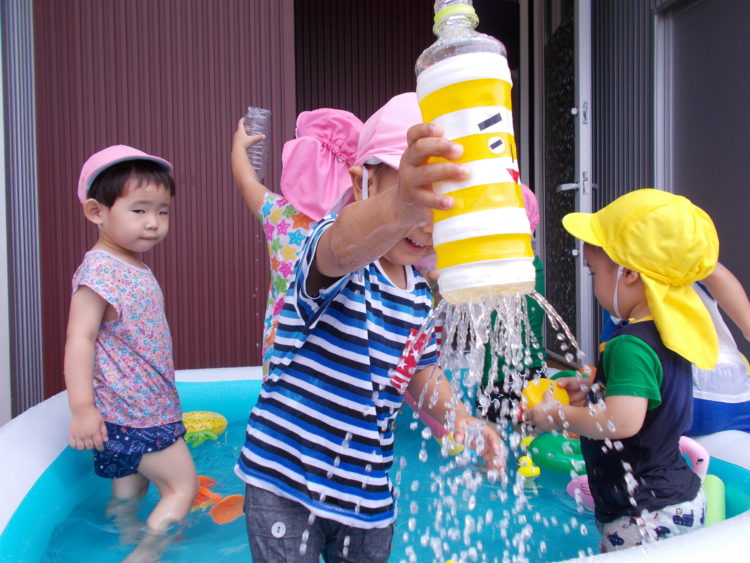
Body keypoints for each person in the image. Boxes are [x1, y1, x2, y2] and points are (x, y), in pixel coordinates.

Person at [235, 93, 505, 562]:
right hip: (285, 479)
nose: (424, 224)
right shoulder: (334, 251)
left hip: (365, 491)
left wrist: (459, 418)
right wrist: (396, 210)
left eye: (439, 208)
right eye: (409, 199)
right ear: (362, 183)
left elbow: (420, 373)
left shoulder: (419, 294)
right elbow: (344, 244)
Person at [528, 188, 718, 552]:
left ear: (628, 273)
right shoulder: (669, 332)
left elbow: (622, 421)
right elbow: (653, 397)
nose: (594, 283)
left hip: (644, 516)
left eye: (594, 272)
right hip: (675, 499)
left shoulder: (628, 344)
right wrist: (595, 387)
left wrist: (557, 417)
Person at [65, 145, 198, 561]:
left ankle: (122, 540)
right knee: (181, 489)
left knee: (130, 494)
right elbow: (79, 339)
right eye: (139, 210)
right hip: (139, 415)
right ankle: (142, 557)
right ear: (96, 212)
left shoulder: (131, 265)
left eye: (162, 211)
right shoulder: (99, 272)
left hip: (128, 416)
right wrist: (82, 409)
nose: (153, 222)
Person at [231, 109, 363, 376]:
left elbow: (246, 181)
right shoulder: (357, 226)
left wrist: (239, 147)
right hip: (342, 352)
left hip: (282, 349)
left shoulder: (278, 214)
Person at [598, 262, 750, 435]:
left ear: (628, 273)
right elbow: (714, 272)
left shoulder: (624, 299)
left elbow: (621, 384)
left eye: (594, 273)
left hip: (681, 400)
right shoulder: (685, 265)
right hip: (738, 391)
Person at [478, 183, 546, 422]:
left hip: (497, 376)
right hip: (533, 371)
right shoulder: (534, 267)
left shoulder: (496, 271)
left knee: (492, 432)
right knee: (531, 433)